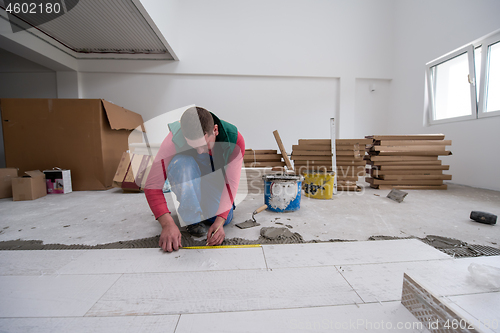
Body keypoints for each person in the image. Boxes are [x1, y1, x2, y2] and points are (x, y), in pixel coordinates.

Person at [144, 106, 245, 252]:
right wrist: (167, 224)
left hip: (215, 181)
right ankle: (192, 217)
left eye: (204, 145)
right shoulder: (174, 139)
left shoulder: (234, 139)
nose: (200, 151)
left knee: (224, 218)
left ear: (215, 130)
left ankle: (202, 204)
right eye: (194, 146)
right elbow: (152, 185)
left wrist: (220, 221)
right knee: (182, 163)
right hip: (190, 174)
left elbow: (231, 184)